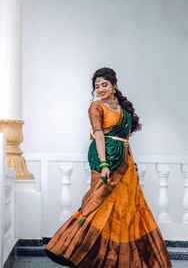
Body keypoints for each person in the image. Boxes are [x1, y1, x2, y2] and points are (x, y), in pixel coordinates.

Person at [45, 67, 171, 267]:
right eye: (97, 86)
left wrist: (132, 163)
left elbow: (126, 140)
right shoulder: (96, 107)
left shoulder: (124, 109)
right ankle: (77, 250)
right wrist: (103, 164)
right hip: (107, 160)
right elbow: (99, 135)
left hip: (125, 163)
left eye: (104, 85)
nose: (100, 89)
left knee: (127, 208)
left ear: (114, 85)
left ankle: (121, 260)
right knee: (100, 203)